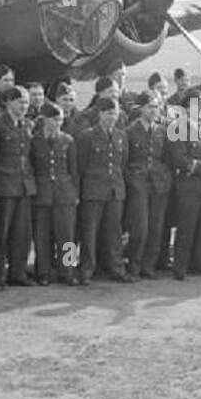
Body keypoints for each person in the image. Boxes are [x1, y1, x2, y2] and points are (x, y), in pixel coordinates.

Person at [75, 97, 130, 284]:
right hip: (93, 191)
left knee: (114, 232)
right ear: (100, 114)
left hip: (114, 190)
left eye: (114, 113)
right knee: (89, 233)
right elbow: (80, 166)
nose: (111, 117)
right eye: (108, 113)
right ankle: (86, 270)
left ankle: (116, 268)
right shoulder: (87, 136)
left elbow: (122, 163)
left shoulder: (121, 136)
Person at [166, 92, 201, 279]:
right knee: (186, 229)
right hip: (189, 185)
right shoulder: (177, 128)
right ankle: (180, 268)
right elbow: (179, 159)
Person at [0, 86, 36, 287]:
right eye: (20, 102)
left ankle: (18, 272)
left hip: (24, 186)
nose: (24, 106)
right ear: (8, 102)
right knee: (1, 233)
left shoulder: (27, 124)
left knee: (22, 233)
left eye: (26, 102)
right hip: (4, 186)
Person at [30, 101, 79, 285]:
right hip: (42, 194)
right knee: (42, 235)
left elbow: (74, 171)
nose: (58, 123)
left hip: (64, 194)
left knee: (67, 236)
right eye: (54, 119)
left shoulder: (67, 140)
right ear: (44, 120)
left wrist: (75, 194)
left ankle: (67, 271)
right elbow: (32, 167)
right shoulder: (34, 140)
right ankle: (43, 272)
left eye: (60, 119)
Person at [124, 93, 171, 280]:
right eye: (150, 107)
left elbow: (167, 157)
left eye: (156, 107)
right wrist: (133, 179)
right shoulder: (130, 131)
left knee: (156, 226)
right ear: (141, 109)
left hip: (159, 184)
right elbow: (124, 161)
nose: (154, 110)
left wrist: (165, 177)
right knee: (140, 228)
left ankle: (148, 266)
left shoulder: (163, 130)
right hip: (138, 184)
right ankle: (134, 265)